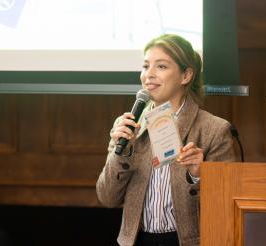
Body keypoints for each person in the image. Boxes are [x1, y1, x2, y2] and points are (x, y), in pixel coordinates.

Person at [96, 34, 236, 246]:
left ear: (186, 75)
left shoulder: (215, 130)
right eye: (145, 66)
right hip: (136, 241)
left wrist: (199, 176)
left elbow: (225, 205)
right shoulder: (127, 126)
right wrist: (122, 152)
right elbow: (107, 197)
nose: (148, 75)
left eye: (161, 67)